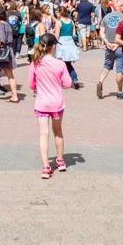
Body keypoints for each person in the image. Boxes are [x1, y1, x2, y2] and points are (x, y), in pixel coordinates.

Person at [28, 33, 72, 179]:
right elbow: (68, 84)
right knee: (58, 131)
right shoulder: (60, 64)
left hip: (41, 103)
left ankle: (46, 167)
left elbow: (31, 84)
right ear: (53, 47)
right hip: (57, 103)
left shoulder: (35, 63)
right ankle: (60, 161)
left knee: (43, 134)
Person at [96, 0, 123, 99]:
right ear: (119, 6)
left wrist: (107, 42)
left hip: (109, 46)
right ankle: (119, 92)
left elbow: (101, 32)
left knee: (106, 66)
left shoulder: (106, 17)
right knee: (120, 70)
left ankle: (100, 81)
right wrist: (117, 44)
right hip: (120, 47)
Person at [54, 6, 82, 88]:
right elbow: (73, 34)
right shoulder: (71, 21)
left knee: (59, 63)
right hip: (70, 42)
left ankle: (60, 80)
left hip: (61, 43)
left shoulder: (59, 22)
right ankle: (74, 78)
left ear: (60, 13)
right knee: (68, 63)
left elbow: (57, 35)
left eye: (57, 12)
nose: (56, 14)